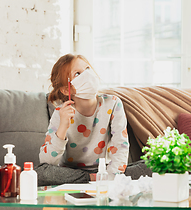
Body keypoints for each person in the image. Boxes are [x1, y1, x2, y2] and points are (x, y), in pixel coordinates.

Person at [38, 54, 129, 182]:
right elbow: (46, 161)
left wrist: (110, 177)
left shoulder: (113, 103)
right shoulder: (61, 113)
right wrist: (62, 127)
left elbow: (121, 146)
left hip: (105, 170)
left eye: (87, 69)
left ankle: (95, 178)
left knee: (151, 167)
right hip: (70, 172)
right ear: (65, 90)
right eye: (77, 74)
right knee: (42, 173)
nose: (87, 75)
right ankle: (90, 179)